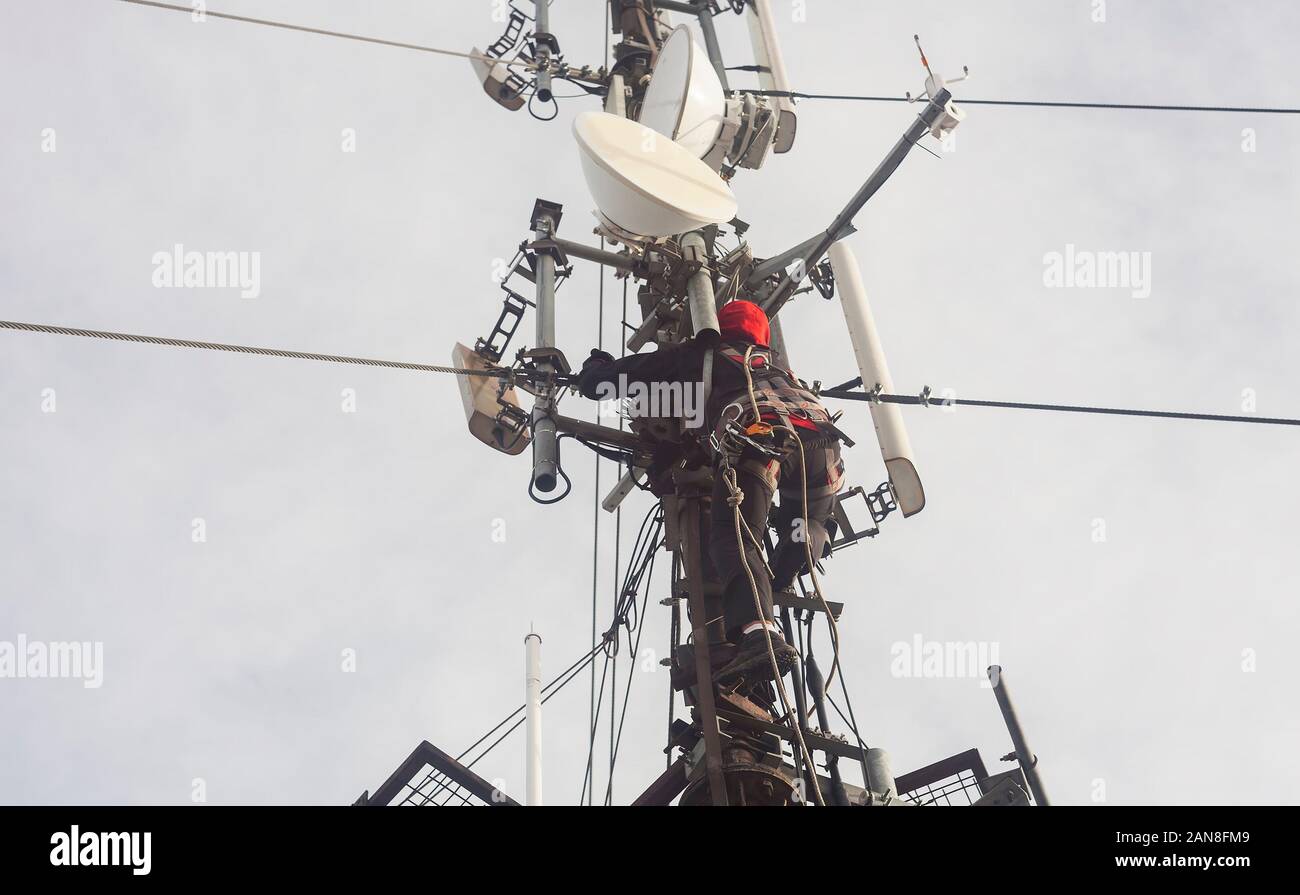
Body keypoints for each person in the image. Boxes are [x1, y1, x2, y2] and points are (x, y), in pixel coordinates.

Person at [576, 300, 845, 685]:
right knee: (807, 524)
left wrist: (596, 369)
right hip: (822, 446)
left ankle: (760, 634)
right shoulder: (781, 370)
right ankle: (785, 570)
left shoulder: (704, 355)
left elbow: (611, 382)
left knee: (735, 537)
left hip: (762, 436)